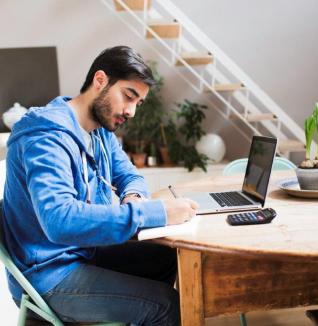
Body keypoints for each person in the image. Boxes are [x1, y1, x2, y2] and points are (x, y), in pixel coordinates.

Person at [1, 45, 198, 325]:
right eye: (128, 96)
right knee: (165, 305)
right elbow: (60, 220)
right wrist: (157, 213)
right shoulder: (46, 137)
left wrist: (134, 197)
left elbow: (130, 176)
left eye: (137, 104)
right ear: (100, 80)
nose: (130, 112)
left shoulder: (101, 130)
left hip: (83, 253)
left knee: (164, 257)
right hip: (48, 274)